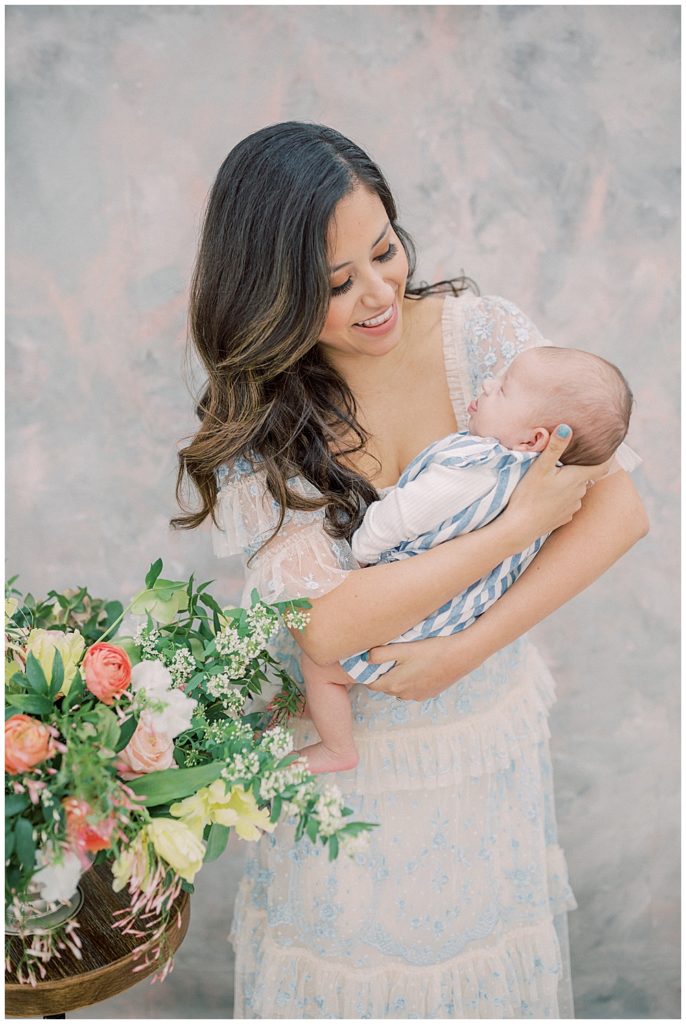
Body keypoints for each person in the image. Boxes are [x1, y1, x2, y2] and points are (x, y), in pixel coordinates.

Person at [173, 122, 647, 1019]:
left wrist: (465, 650)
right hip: (345, 768)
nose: (379, 292)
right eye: (337, 283)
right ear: (272, 294)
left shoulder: (486, 338)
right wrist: (519, 526)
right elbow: (330, 627)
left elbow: (619, 511)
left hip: (482, 745)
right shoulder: (262, 420)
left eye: (385, 250)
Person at [298, 346, 634, 774]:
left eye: (503, 389)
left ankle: (336, 747)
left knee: (321, 666)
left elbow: (402, 515)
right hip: (456, 609)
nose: (487, 384)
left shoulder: (471, 467)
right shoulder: (546, 479)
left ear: (534, 439)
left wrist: (361, 549)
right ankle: (326, 705)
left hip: (410, 607)